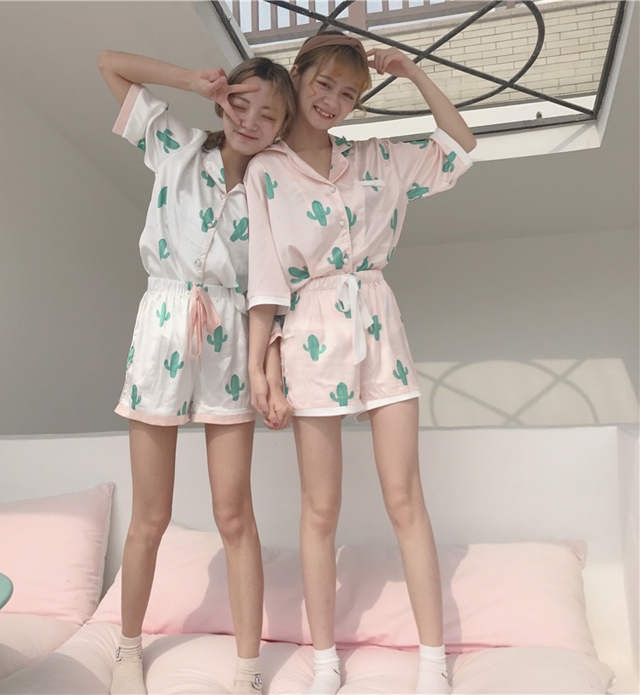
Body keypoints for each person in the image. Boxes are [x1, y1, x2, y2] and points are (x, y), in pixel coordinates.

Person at [245, 32, 476, 695]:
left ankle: (432, 661)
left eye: (348, 94)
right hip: (310, 332)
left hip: (380, 328)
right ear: (297, 76)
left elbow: (461, 146)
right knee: (320, 510)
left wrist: (414, 72)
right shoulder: (265, 171)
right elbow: (265, 278)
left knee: (406, 498)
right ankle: (325, 661)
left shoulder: (377, 157)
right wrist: (264, 370)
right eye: (324, 84)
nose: (333, 101)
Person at [98, 49, 294, 694]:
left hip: (232, 341)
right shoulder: (175, 147)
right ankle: (128, 650)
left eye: (269, 114)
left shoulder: (275, 193)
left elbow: (271, 293)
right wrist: (191, 81)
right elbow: (108, 64)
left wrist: (269, 371)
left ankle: (247, 669)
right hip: (163, 329)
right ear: (223, 101)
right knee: (149, 515)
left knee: (234, 514)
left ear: (283, 126)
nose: (251, 120)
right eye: (242, 102)